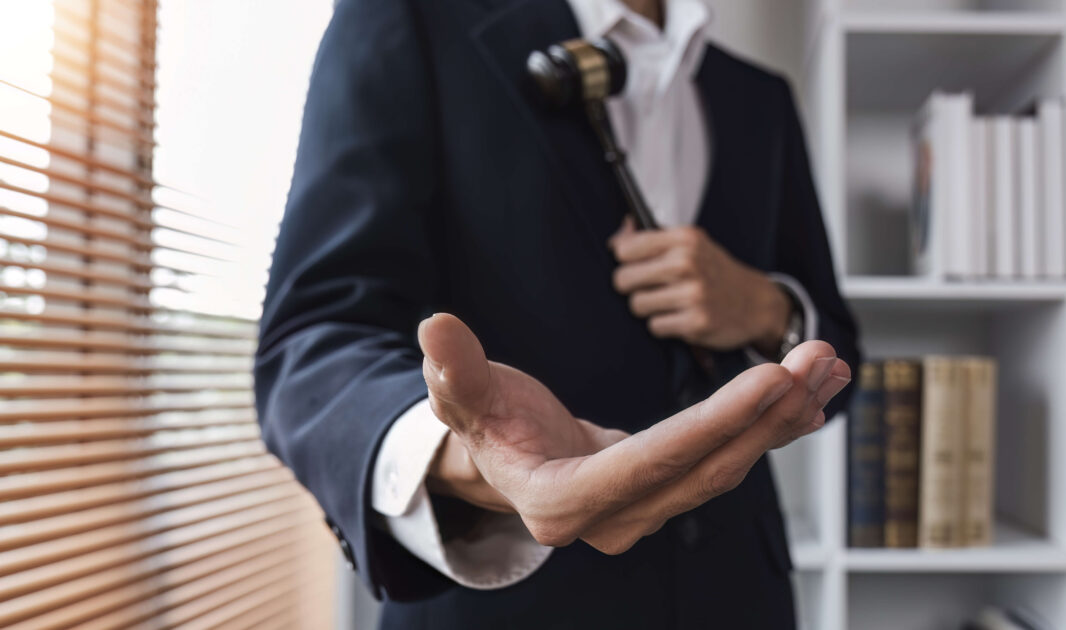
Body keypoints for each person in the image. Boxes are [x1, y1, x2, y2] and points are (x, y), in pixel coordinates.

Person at [254, 0, 861, 627]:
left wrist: (763, 308)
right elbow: (313, 336)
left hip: (739, 598)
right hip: (504, 607)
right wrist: (472, 454)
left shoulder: (762, 99)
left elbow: (841, 356)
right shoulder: (409, 19)